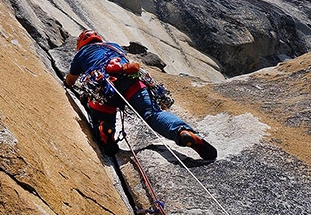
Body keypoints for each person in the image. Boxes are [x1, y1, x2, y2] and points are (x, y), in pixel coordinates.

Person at [65, 29, 217, 161]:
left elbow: (70, 81)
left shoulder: (82, 54)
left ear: (80, 43)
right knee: (153, 115)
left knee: (101, 114)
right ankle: (183, 132)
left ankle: (105, 127)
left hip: (103, 89)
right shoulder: (114, 46)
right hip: (132, 82)